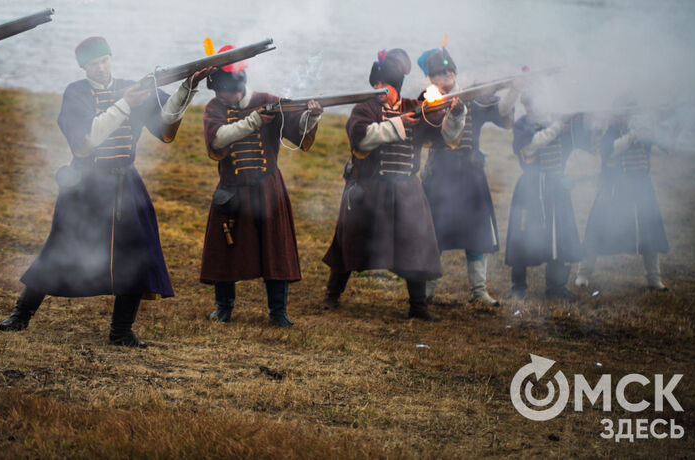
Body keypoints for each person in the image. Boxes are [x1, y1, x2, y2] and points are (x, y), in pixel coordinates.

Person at [0, 37, 211, 348]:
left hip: (126, 183)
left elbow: (166, 122)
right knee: (60, 249)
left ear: (111, 59)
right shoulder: (76, 93)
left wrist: (187, 88)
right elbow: (86, 142)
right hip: (85, 185)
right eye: (94, 64)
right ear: (83, 67)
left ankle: (121, 332)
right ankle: (21, 314)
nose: (101, 68)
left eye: (104, 61)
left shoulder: (131, 87)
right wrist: (125, 104)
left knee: (137, 254)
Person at [320, 48, 466, 321]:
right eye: (376, 85)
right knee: (349, 243)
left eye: (383, 85)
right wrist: (400, 124)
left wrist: (455, 114)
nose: (378, 89)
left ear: (393, 86)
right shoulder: (365, 109)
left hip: (406, 189)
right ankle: (331, 295)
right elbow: (361, 139)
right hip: (369, 188)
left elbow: (444, 134)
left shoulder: (416, 107)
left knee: (416, 245)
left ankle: (418, 307)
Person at [201, 45, 322, 327]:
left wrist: (312, 115)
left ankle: (278, 313)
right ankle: (224, 308)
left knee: (276, 250)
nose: (224, 96)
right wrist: (254, 120)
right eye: (221, 91)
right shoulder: (214, 108)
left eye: (228, 91)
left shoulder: (268, 100)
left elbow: (298, 133)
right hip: (232, 189)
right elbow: (218, 139)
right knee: (225, 252)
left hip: (268, 186)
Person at [416, 47, 520, 307]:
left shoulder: (474, 98)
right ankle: (427, 291)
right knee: (434, 236)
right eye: (440, 72)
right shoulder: (429, 102)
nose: (447, 73)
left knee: (477, 234)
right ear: (431, 78)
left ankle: (479, 290)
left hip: (471, 176)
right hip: (440, 176)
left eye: (449, 69)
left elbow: (503, 113)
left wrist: (515, 88)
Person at [575, 110, 669, 290]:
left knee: (649, 233)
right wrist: (634, 134)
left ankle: (654, 277)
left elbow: (665, 144)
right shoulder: (610, 131)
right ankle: (583, 274)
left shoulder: (644, 129)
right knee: (596, 231)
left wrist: (653, 126)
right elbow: (610, 151)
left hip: (641, 186)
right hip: (615, 187)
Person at [506, 94, 589, 299]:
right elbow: (530, 146)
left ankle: (556, 286)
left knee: (562, 236)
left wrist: (585, 120)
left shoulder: (559, 120)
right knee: (523, 237)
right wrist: (557, 126)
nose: (530, 108)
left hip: (557, 186)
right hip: (531, 187)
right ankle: (519, 287)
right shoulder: (523, 124)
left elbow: (586, 141)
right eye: (528, 104)